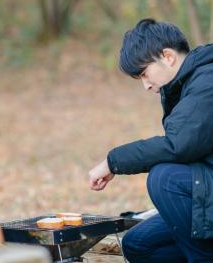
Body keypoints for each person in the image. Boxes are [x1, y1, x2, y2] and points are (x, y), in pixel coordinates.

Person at [88, 18, 213, 262]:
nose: (145, 86)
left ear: (167, 56)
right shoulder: (186, 85)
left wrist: (113, 162)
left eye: (145, 74)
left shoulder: (207, 81)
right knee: (138, 244)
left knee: (165, 179)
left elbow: (178, 146)